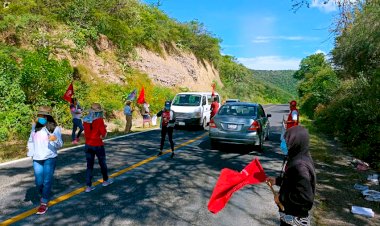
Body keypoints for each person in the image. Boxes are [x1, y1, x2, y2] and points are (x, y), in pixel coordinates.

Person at [267, 126, 316, 226]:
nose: (283, 144)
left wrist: (281, 198)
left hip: (296, 219)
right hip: (290, 215)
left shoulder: (300, 166)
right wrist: (277, 181)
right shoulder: (298, 157)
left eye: (286, 141)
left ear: (296, 142)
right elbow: (293, 181)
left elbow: (305, 197)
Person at [27, 106, 63, 215]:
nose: (40, 117)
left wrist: (55, 139)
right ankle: (45, 194)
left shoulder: (54, 128)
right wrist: (29, 151)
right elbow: (30, 140)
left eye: (43, 115)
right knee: (38, 182)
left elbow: (60, 144)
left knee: (47, 181)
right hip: (37, 158)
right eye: (39, 115)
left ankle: (44, 202)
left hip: (50, 157)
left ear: (48, 117)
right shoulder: (35, 127)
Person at [83, 103, 114, 192]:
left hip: (88, 144)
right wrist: (105, 129)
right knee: (102, 163)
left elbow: (87, 131)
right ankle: (105, 180)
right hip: (98, 145)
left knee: (89, 166)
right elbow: (103, 135)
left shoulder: (85, 119)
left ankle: (88, 186)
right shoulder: (99, 120)